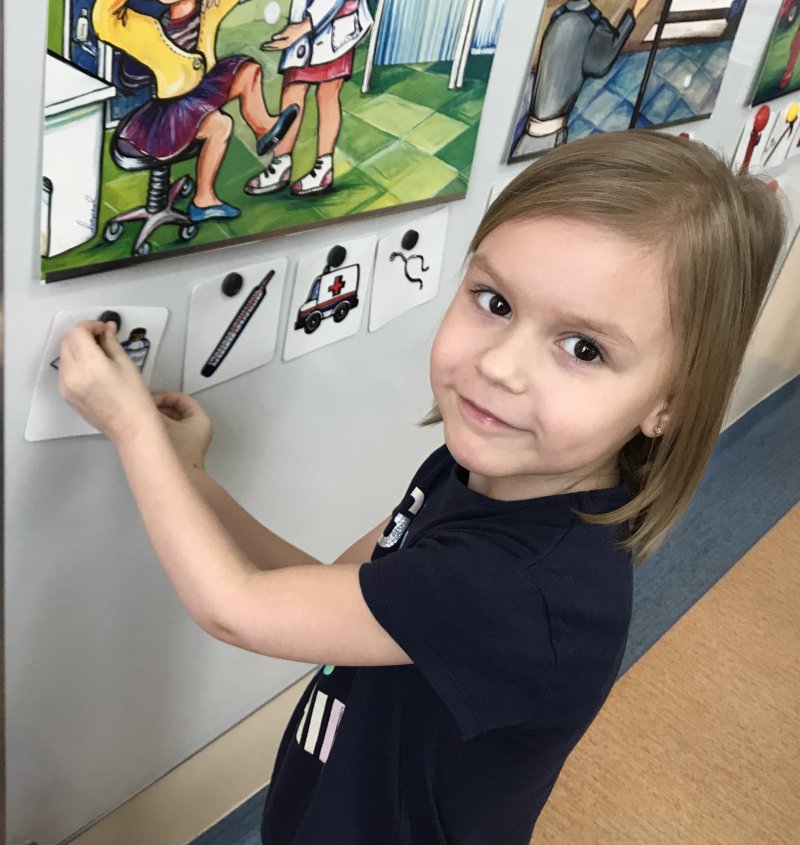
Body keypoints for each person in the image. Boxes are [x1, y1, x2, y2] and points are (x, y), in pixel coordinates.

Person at [57, 130, 784, 844]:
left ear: (669, 404)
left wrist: (132, 429)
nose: (499, 367)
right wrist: (190, 476)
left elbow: (235, 608)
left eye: (583, 348)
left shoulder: (519, 588)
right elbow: (326, 586)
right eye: (495, 302)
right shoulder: (472, 472)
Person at [93, 0, 299, 222]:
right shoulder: (142, 29)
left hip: (200, 92)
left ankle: (264, 129)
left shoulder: (209, 8)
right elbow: (104, 20)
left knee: (248, 70)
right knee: (220, 125)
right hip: (168, 115)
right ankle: (203, 201)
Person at [245, 0, 372, 197]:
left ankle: (323, 167)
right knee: (292, 89)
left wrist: (304, 26)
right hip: (304, 24)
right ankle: (280, 163)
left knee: (327, 94)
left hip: (337, 24)